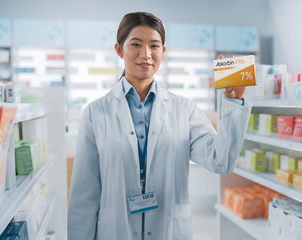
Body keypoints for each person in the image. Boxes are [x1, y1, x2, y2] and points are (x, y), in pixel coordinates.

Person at [68, 11, 251, 240]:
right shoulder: (96, 114)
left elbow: (221, 160)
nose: (146, 54)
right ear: (119, 50)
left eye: (154, 46)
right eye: (136, 44)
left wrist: (233, 102)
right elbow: (83, 197)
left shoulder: (184, 110)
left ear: (162, 52)